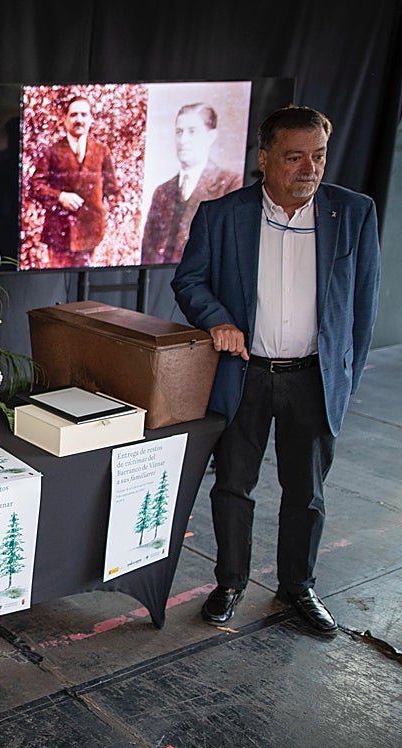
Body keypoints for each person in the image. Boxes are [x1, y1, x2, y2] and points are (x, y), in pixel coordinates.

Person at [171, 105, 380, 636]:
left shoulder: (353, 213)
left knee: (306, 492)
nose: (310, 169)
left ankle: (298, 587)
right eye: (294, 157)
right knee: (233, 486)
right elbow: (189, 281)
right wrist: (218, 320)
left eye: (319, 156)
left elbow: (362, 308)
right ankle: (230, 583)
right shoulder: (222, 215)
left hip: (313, 378)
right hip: (243, 374)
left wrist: (343, 381)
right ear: (264, 158)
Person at [141, 103, 243, 264]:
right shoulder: (162, 191)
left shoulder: (230, 184)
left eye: (192, 131)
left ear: (210, 137)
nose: (183, 140)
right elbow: (147, 252)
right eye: (179, 132)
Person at [28, 94, 120, 268]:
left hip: (90, 233)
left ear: (91, 119)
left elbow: (112, 188)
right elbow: (35, 186)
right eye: (74, 115)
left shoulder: (101, 151)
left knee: (87, 279)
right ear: (65, 120)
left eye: (84, 115)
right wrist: (60, 196)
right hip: (59, 233)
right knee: (57, 278)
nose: (79, 120)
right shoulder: (52, 152)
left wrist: (103, 212)